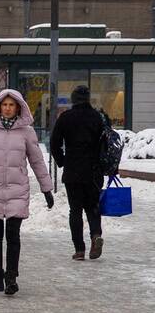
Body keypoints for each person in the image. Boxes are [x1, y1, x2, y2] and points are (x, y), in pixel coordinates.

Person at [0, 89, 54, 295]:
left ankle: (11, 276)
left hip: (17, 190)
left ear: (18, 107)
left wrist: (46, 188)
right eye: (4, 105)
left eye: (11, 105)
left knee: (13, 235)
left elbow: (37, 161)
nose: (7, 108)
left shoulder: (27, 132)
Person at [50, 85, 106, 261]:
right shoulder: (97, 117)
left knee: (75, 210)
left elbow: (54, 143)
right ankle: (96, 234)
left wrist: (62, 161)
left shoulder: (66, 118)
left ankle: (79, 249)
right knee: (93, 207)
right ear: (88, 99)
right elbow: (106, 143)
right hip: (93, 170)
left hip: (73, 170)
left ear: (73, 100)